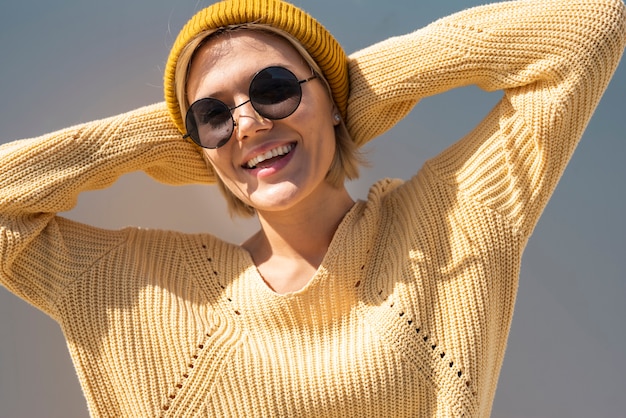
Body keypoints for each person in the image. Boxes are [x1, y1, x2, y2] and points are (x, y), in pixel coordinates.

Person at [1, 0, 624, 416]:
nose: (245, 123)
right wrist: (168, 137)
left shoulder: (452, 219)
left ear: (331, 96)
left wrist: (358, 85)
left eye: (272, 88)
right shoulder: (151, 290)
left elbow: (588, 34)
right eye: (213, 113)